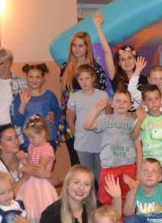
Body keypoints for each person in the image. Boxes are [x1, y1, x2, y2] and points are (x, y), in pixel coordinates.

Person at [58, 30, 109, 166]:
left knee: (96, 162)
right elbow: (64, 93)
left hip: (92, 115)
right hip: (71, 114)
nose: (77, 49)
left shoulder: (96, 69)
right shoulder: (65, 67)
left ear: (87, 47)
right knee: (75, 159)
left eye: (81, 45)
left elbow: (103, 96)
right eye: (74, 45)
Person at [83, 88, 138, 207]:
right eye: (118, 101)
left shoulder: (133, 122)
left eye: (125, 101)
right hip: (109, 167)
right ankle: (107, 219)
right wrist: (97, 109)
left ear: (130, 105)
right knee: (106, 200)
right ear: (112, 104)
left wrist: (138, 172)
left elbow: (139, 147)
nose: (121, 104)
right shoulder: (106, 119)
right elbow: (87, 125)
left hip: (128, 166)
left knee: (127, 198)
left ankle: (125, 219)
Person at [133, 84, 162, 190]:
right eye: (149, 99)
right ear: (144, 102)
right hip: (149, 165)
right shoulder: (142, 119)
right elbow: (133, 136)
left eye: (156, 98)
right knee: (150, 192)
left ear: (161, 99)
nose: (154, 102)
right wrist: (140, 120)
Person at [67, 64, 109, 182]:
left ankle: (101, 195)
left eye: (87, 78)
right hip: (83, 144)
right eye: (81, 79)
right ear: (77, 80)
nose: (84, 82)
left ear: (93, 78)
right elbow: (70, 120)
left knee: (101, 176)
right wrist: (77, 136)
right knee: (87, 177)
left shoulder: (103, 95)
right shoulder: (74, 98)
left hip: (101, 143)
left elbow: (108, 117)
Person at [16, 116, 59, 223]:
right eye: (28, 137)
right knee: (30, 212)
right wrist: (23, 159)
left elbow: (39, 169)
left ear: (43, 133)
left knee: (44, 213)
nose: (30, 140)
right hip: (30, 183)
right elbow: (30, 164)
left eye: (32, 137)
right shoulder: (31, 146)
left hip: (42, 184)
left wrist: (23, 168)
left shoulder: (47, 148)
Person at [94, 11, 147, 99]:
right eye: (122, 59)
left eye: (129, 58)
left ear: (135, 60)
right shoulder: (115, 77)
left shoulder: (145, 80)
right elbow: (107, 51)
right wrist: (98, 27)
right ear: (119, 63)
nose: (126, 62)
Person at [12, 63, 59, 150]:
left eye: (38, 77)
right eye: (31, 77)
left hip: (47, 141)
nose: (34, 80)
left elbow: (57, 113)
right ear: (27, 78)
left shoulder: (50, 96)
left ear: (43, 79)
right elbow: (17, 122)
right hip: (28, 143)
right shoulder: (20, 96)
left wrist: (54, 115)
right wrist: (23, 104)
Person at [0, 124, 32, 195]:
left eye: (16, 137)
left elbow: (49, 182)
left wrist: (25, 162)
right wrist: (24, 178)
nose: (15, 141)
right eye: (9, 139)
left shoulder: (27, 156)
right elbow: (3, 196)